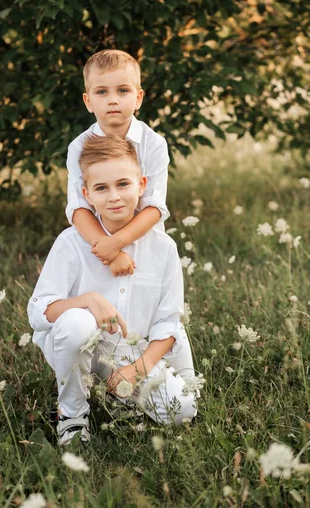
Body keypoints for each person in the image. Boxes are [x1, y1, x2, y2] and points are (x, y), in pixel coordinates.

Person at [28, 136, 197, 445]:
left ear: (142, 184)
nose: (114, 197)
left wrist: (136, 370)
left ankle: (122, 395)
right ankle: (72, 413)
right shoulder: (70, 242)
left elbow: (168, 324)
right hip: (80, 348)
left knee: (182, 410)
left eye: (123, 184)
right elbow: (40, 312)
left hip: (130, 351)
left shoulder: (163, 248)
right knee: (76, 322)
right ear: (86, 194)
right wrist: (89, 301)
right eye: (102, 188)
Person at [66, 48, 194, 379]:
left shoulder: (153, 144)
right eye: (102, 92)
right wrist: (106, 249)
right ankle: (93, 375)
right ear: (87, 100)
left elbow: (154, 206)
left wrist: (120, 242)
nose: (113, 100)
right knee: (105, 314)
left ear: (138, 98)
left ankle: (148, 366)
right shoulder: (79, 147)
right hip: (97, 243)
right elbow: (78, 208)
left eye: (122, 91)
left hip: (145, 243)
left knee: (154, 317)